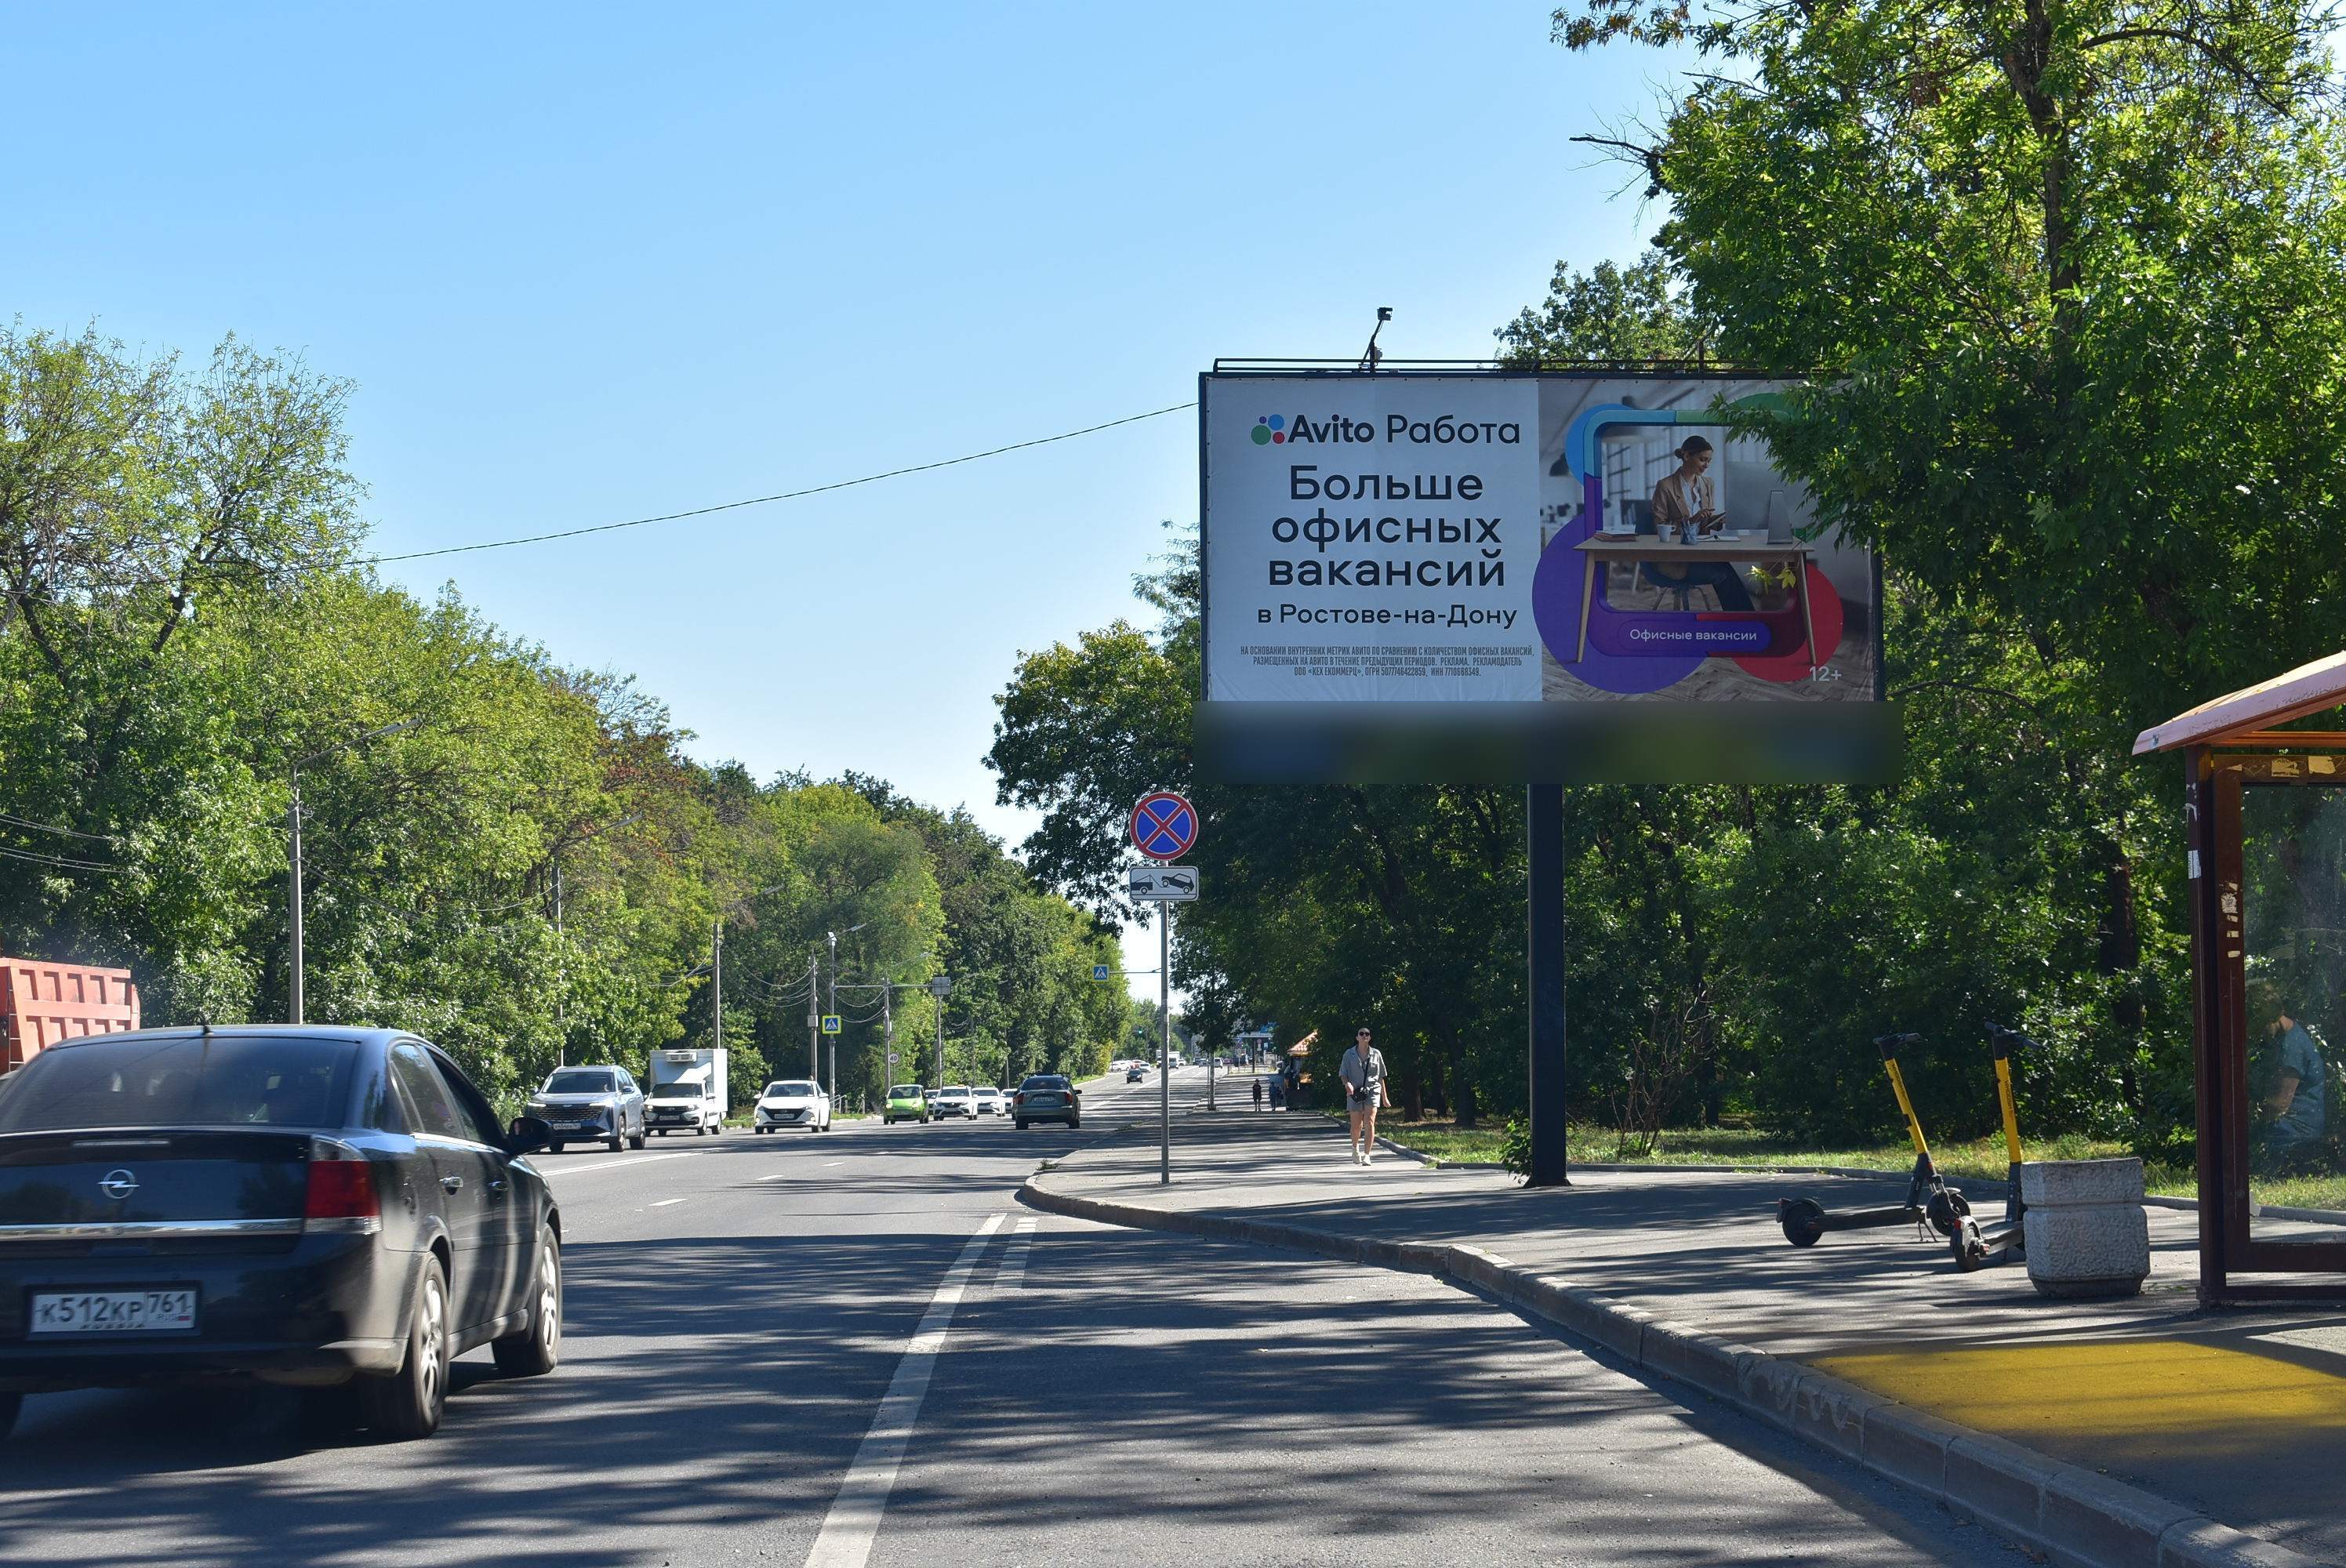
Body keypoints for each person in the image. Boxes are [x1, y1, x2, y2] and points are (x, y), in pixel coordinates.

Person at [1647, 436, 1756, 612]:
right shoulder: (1665, 486)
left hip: (1701, 551)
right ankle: (1744, 622)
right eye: (1702, 459)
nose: (1706, 465)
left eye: (1709, 461)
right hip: (1675, 559)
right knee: (1723, 574)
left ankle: (1743, 621)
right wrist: (1691, 521)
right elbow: (1659, 527)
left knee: (1724, 567)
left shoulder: (1707, 484)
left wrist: (1718, 520)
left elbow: (1706, 523)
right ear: (1687, 456)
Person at [2249, 978, 2327, 1168]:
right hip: (2286, 1131)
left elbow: (2279, 1105)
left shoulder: (2291, 1048)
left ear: (2270, 1017)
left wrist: (2248, 1119)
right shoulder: (2283, 1038)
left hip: (2295, 1135)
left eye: (2259, 1028)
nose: (2258, 1034)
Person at [1338, 1027, 1388, 1166]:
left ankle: (1367, 1155)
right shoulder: (1349, 1054)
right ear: (1357, 1038)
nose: (1364, 1036)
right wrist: (1347, 1084)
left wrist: (1384, 1097)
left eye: (1367, 1034)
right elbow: (1343, 1073)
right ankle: (1355, 1149)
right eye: (1362, 1034)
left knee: (1370, 1121)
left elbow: (1381, 1077)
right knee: (1356, 1125)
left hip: (1372, 1090)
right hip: (1354, 1092)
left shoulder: (1376, 1054)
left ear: (1370, 1038)